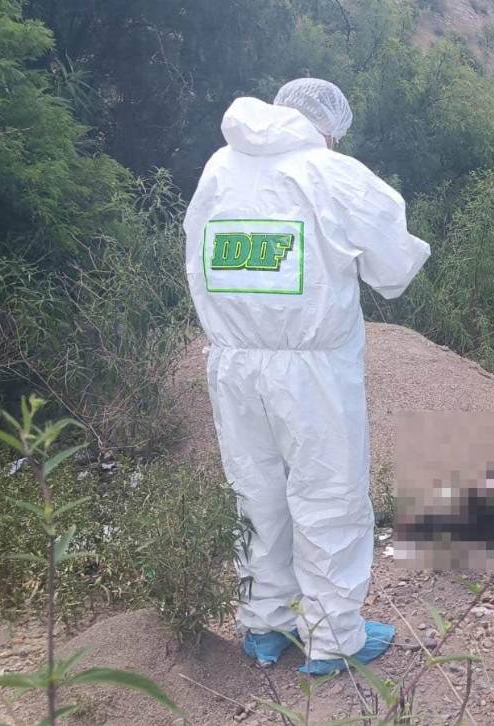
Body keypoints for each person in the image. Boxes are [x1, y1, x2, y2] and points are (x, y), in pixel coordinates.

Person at [184, 78, 430, 675]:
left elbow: (194, 248)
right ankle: (334, 637)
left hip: (232, 362)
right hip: (313, 367)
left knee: (256, 493)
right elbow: (394, 266)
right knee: (328, 496)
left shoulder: (218, 166)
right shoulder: (330, 172)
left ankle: (264, 625)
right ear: (330, 130)